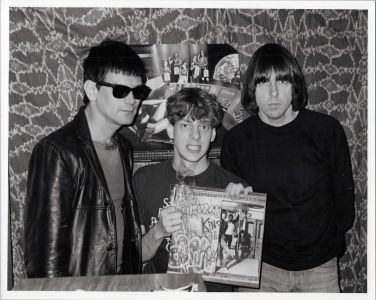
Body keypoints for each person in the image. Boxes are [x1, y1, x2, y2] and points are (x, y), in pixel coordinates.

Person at [220, 43, 355, 292]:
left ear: (294, 86)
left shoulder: (326, 131)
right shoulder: (236, 141)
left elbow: (344, 203)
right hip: (260, 269)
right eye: (263, 83)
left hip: (320, 268)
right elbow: (233, 215)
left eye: (281, 81)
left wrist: (321, 248)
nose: (273, 93)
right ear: (251, 88)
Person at [24, 39, 151, 278]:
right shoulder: (57, 151)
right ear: (91, 90)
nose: (133, 100)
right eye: (121, 91)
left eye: (139, 91)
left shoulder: (123, 147)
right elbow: (44, 256)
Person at [133, 87, 252, 292]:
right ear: (171, 129)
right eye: (186, 125)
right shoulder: (143, 180)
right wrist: (159, 231)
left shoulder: (232, 188)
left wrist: (242, 215)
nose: (195, 136)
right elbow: (134, 257)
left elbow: (243, 268)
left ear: (213, 133)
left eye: (204, 126)